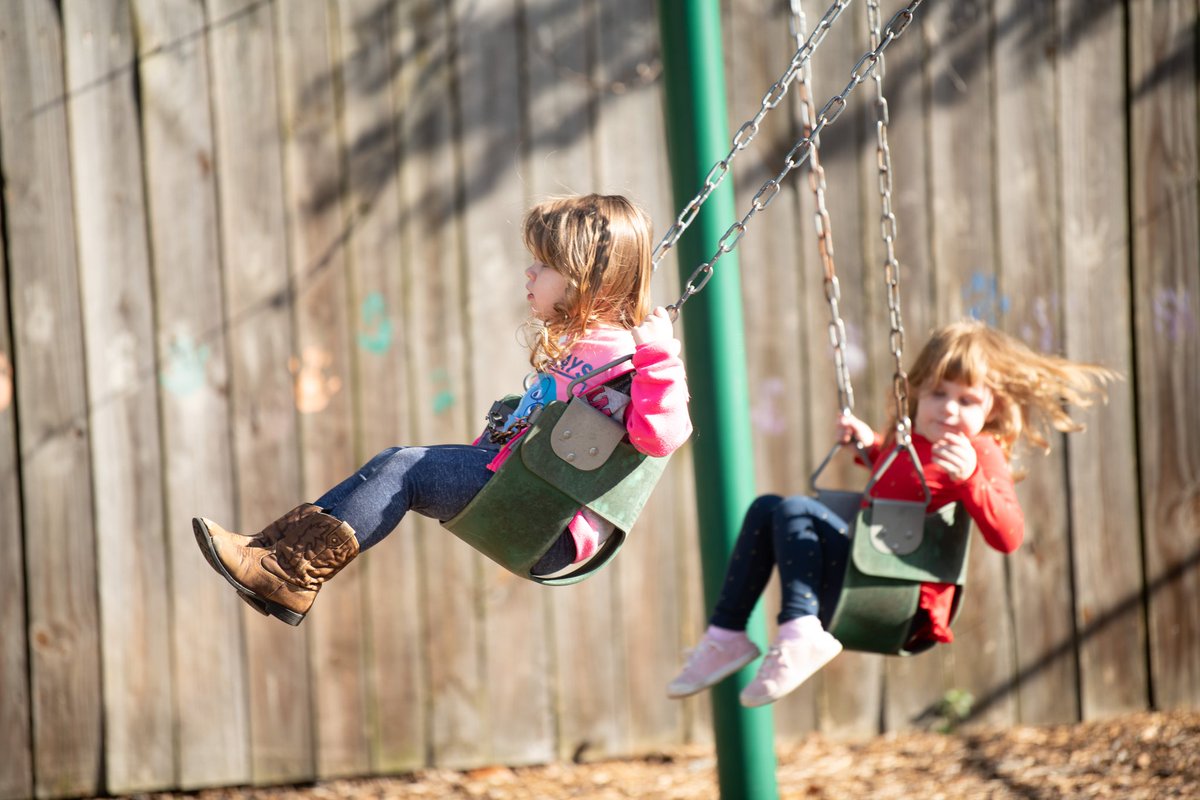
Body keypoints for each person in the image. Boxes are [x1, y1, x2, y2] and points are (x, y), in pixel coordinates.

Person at [194, 194, 692, 625]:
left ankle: (288, 574)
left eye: (544, 264)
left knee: (406, 470)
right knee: (395, 461)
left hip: (549, 520)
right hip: (518, 487)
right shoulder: (586, 345)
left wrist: (659, 356)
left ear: (586, 279)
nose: (529, 271)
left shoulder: (631, 356)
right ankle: (272, 553)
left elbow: (663, 435)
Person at [666, 319, 1115, 707]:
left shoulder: (979, 452)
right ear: (916, 393)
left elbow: (1009, 536)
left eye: (967, 400)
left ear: (991, 406)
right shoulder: (907, 441)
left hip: (901, 596)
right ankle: (726, 636)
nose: (949, 409)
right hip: (865, 575)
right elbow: (902, 481)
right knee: (767, 507)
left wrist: (972, 478)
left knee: (796, 510)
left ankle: (800, 629)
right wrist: (870, 447)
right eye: (938, 393)